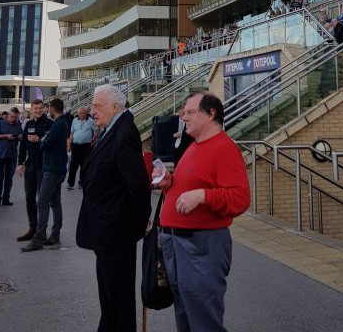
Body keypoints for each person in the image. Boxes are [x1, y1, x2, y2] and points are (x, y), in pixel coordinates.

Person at [156, 92, 251, 332]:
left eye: (190, 111)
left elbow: (240, 199)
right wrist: (169, 183)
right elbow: (188, 185)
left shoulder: (224, 148)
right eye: (183, 111)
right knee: (185, 313)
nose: (183, 116)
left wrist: (203, 196)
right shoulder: (194, 146)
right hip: (178, 243)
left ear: (210, 114)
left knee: (203, 319)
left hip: (200, 246)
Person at [76, 85, 151, 332]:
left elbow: (137, 184)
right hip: (106, 230)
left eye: (97, 106)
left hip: (115, 230)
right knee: (110, 294)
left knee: (117, 294)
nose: (92, 110)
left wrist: (139, 222)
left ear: (115, 107)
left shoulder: (124, 131)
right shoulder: (112, 129)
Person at [22, 97, 69, 251]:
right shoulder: (59, 123)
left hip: (51, 168)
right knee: (54, 202)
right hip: (54, 167)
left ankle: (38, 237)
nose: (43, 110)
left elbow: (45, 143)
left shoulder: (56, 124)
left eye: (45, 107)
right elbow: (25, 144)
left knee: (42, 202)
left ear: (51, 109)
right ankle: (54, 235)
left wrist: (40, 139)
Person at [16, 98, 53, 242]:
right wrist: (20, 163)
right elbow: (23, 146)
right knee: (29, 197)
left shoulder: (49, 124)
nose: (37, 111)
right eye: (35, 108)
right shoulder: (29, 124)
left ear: (44, 109)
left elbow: (51, 144)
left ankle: (42, 231)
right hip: (30, 165)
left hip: (43, 165)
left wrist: (40, 139)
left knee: (42, 199)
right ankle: (32, 228)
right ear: (31, 109)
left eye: (40, 108)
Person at [0, 107, 22, 206]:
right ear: (8, 115)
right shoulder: (0, 123)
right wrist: (6, 136)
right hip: (0, 154)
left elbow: (21, 136)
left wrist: (19, 137)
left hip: (12, 155)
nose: (13, 119)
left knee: (9, 178)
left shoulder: (18, 125)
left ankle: (6, 199)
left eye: (15, 117)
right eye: (11, 116)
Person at [67, 106, 95, 190]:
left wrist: (93, 140)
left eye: (83, 113)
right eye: (80, 113)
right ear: (78, 114)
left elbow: (97, 130)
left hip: (86, 146)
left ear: (86, 113)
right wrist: (69, 145)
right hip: (75, 145)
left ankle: (82, 182)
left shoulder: (91, 121)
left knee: (84, 165)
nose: (82, 114)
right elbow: (71, 133)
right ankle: (70, 183)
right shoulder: (74, 121)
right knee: (73, 165)